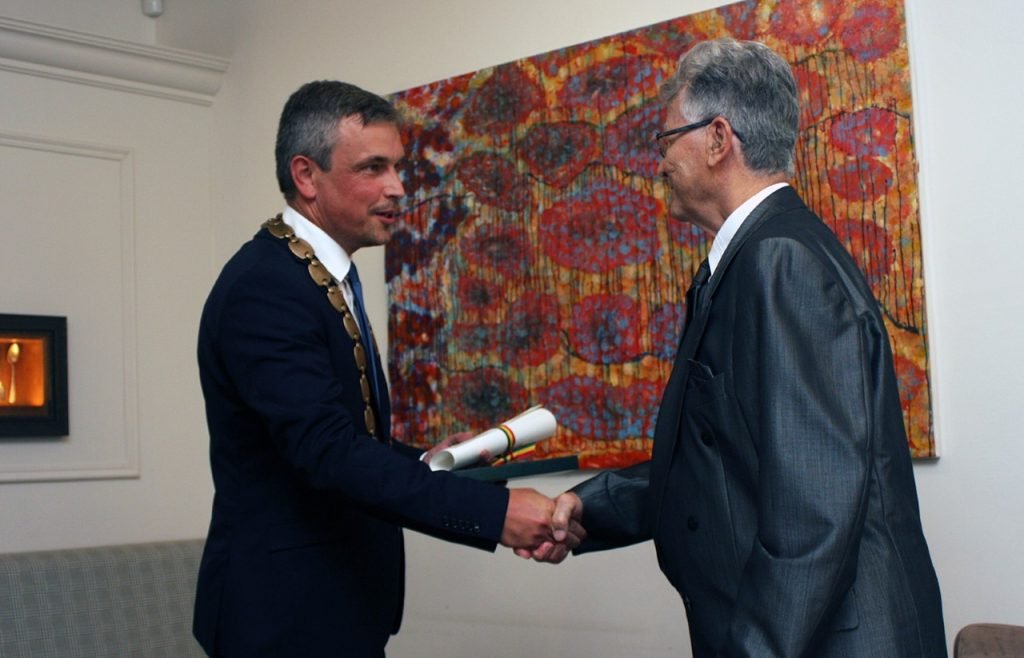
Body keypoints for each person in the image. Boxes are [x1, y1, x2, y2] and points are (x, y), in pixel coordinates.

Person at [529, 38, 947, 657]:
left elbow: (814, 508)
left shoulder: (779, 261)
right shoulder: (756, 255)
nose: (660, 162)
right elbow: (718, 458)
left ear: (718, 139)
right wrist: (585, 508)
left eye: (666, 140)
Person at [193, 80, 572, 657]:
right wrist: (495, 513)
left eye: (397, 167)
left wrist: (426, 461)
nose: (397, 187)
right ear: (306, 176)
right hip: (283, 619)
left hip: (335, 610)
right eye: (373, 167)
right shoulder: (264, 288)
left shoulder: (315, 274)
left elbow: (336, 434)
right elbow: (328, 452)